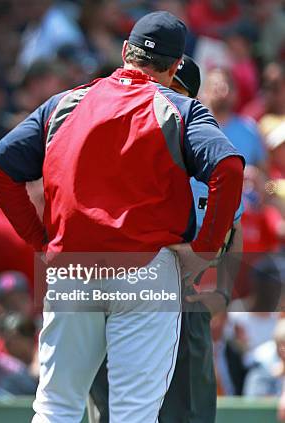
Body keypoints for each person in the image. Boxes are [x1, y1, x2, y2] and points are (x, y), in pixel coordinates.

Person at [0, 11, 244, 423]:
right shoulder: (178, 107)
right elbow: (228, 168)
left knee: (55, 407)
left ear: (125, 52)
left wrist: (40, 240)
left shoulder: (64, 103)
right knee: (133, 414)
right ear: (177, 66)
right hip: (144, 270)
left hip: (72, 267)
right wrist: (205, 251)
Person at [88, 54, 245, 423]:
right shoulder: (116, 143)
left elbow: (233, 228)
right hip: (117, 293)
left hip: (181, 300)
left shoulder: (207, 152)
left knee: (187, 415)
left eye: (175, 92)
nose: (163, 100)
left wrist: (222, 292)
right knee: (111, 414)